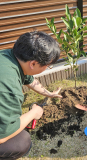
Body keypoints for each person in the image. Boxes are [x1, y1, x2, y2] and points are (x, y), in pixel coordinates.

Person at [0, 31, 62, 159]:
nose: (47, 68)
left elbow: (30, 80)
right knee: (22, 142)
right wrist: (34, 113)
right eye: (47, 66)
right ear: (33, 63)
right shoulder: (9, 88)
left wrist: (49, 94)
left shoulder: (8, 56)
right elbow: (2, 136)